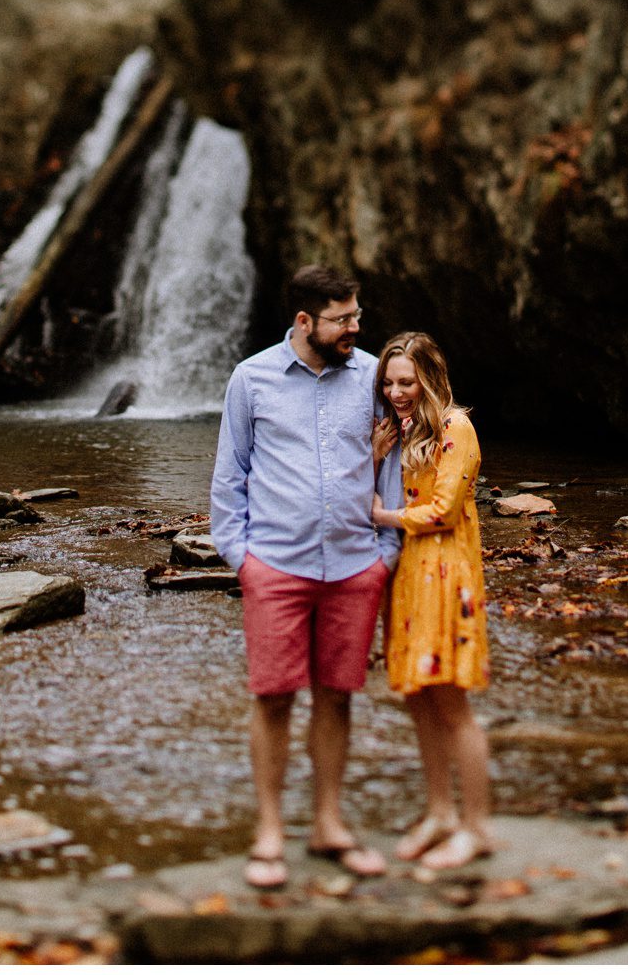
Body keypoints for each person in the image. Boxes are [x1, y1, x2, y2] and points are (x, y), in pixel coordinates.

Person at [210, 264, 400, 890]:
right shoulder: (251, 379)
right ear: (303, 321)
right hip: (277, 566)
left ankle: (328, 823)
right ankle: (269, 831)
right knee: (272, 698)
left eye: (356, 316)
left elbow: (391, 464)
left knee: (337, 696)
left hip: (354, 566)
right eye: (343, 318)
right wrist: (244, 559)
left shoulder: (374, 376)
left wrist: (385, 555)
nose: (355, 327)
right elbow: (230, 475)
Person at [370, 331, 494, 869]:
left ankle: (477, 827)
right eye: (390, 382)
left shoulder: (454, 427)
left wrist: (386, 517)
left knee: (451, 704)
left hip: (446, 571)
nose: (398, 392)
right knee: (418, 697)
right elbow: (371, 493)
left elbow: (442, 510)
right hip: (407, 574)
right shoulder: (400, 433)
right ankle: (441, 812)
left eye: (407, 381)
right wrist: (373, 458)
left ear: (430, 378)